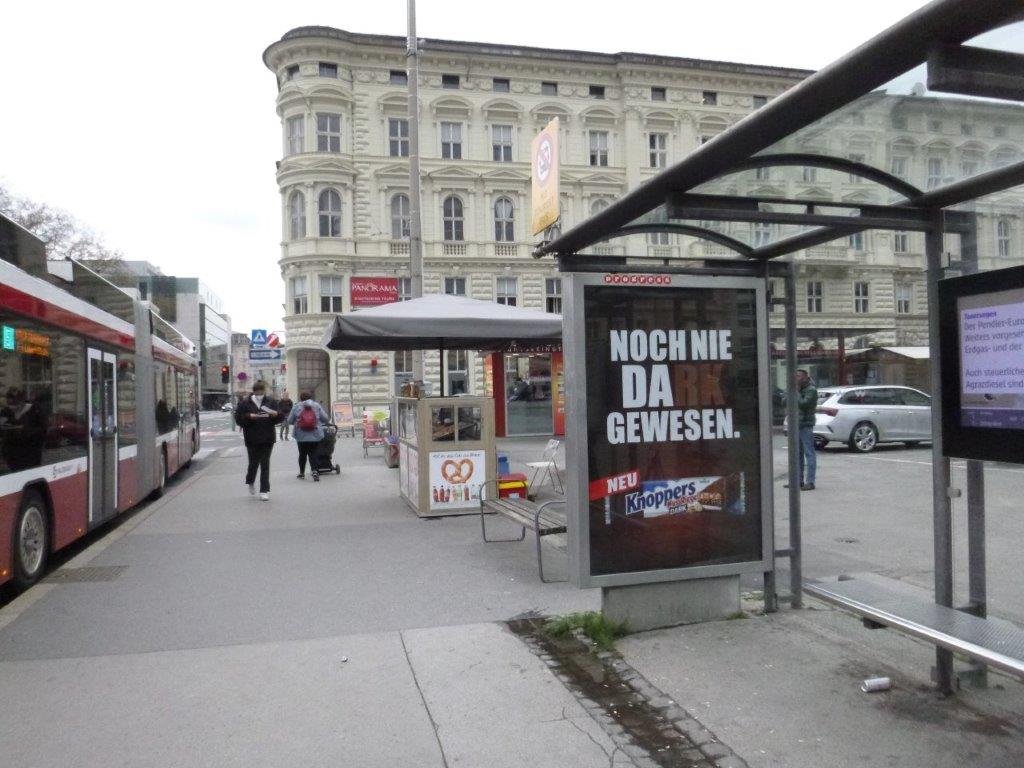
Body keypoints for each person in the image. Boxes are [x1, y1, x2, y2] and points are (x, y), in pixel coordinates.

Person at [235, 381, 282, 500]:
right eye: (258, 392)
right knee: (253, 463)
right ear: (254, 391)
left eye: (262, 392)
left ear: (264, 391)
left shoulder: (271, 401)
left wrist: (275, 415)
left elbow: (280, 417)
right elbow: (239, 419)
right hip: (252, 437)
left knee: (265, 464)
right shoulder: (245, 403)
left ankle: (264, 490)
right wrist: (249, 417)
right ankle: (250, 481)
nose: (260, 394)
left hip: (267, 437)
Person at [0, 388, 46, 471]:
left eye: (15, 404)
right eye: (9, 404)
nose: (12, 407)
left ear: (21, 401)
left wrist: (26, 431)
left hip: (30, 453)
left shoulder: (34, 410)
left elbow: (43, 429)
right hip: (11, 454)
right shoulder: (5, 412)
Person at [288, 391, 330, 479]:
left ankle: (302, 473)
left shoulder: (296, 406)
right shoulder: (316, 405)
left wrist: (297, 422)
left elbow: (290, 420)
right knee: (313, 453)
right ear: (311, 398)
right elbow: (325, 418)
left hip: (300, 435)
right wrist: (318, 422)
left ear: (301, 398)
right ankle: (314, 471)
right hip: (315, 434)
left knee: (302, 454)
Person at [796, 368, 818, 491]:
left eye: (798, 376)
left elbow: (804, 404)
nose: (796, 378)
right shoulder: (798, 389)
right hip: (796, 424)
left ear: (805, 377)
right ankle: (798, 480)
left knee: (809, 453)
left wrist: (797, 392)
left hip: (805, 424)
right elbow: (784, 401)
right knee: (797, 454)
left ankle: (810, 481)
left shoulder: (811, 390)